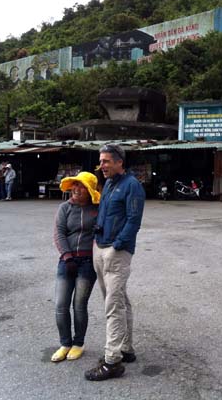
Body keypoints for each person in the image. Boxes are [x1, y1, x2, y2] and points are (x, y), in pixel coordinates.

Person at [85, 144, 145, 381]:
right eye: (101, 161)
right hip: (100, 247)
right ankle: (126, 348)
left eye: (107, 161)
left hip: (116, 252)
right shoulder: (109, 183)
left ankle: (112, 361)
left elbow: (133, 221)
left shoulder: (132, 186)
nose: (102, 166)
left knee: (113, 305)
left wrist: (116, 246)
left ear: (120, 162)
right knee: (119, 301)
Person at [51, 172, 101, 363]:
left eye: (81, 186)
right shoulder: (64, 208)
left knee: (79, 305)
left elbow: (103, 231)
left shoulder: (97, 209)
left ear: (89, 191)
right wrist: (67, 256)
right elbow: (59, 234)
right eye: (75, 185)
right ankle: (65, 343)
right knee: (61, 305)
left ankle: (78, 343)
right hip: (67, 261)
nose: (76, 189)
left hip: (88, 263)